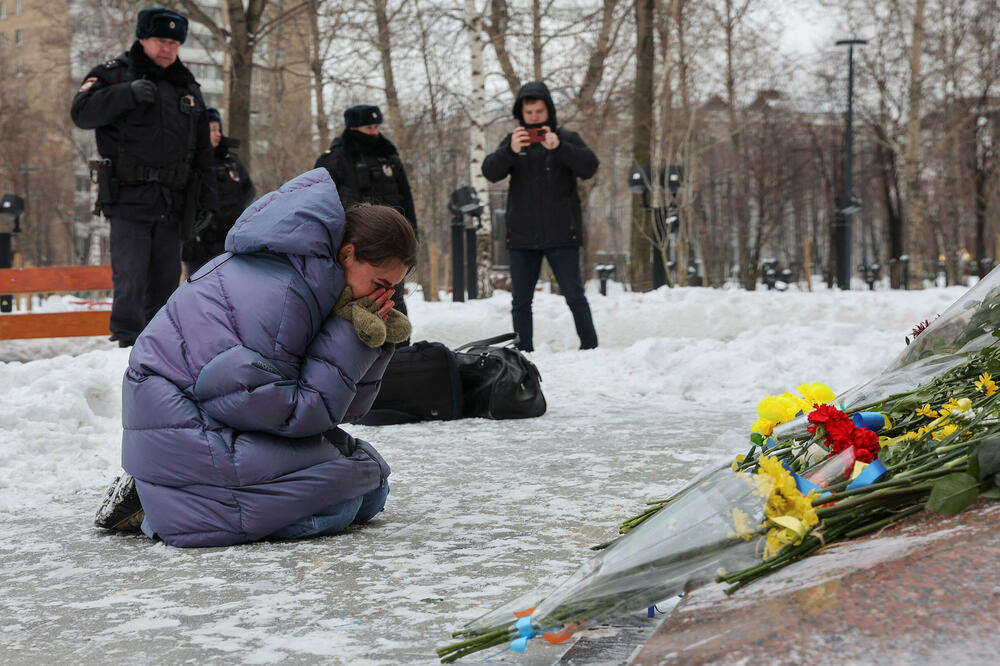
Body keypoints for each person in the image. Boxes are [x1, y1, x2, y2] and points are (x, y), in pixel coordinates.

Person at [93, 168, 417, 547]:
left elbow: (345, 409)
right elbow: (288, 412)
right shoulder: (283, 293)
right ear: (347, 253)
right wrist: (351, 335)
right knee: (339, 506)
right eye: (379, 285)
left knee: (370, 491)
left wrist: (369, 339)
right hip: (184, 429)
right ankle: (155, 510)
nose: (386, 299)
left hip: (222, 422)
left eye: (393, 290)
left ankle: (162, 495)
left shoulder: (317, 284)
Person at [71, 7, 215, 348]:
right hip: (129, 198)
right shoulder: (115, 74)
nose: (167, 48)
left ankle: (160, 349)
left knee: (166, 281)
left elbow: (203, 149)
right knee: (131, 281)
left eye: (174, 43)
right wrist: (126, 94)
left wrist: (208, 198)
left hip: (173, 200)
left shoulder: (187, 86)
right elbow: (81, 112)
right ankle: (125, 349)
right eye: (160, 40)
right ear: (142, 39)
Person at [482, 81, 600, 352]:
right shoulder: (513, 142)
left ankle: (591, 348)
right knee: (521, 300)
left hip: (562, 234)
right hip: (522, 236)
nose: (534, 117)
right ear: (520, 113)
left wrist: (559, 147)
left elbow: (590, 167)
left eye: (538, 111)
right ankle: (523, 351)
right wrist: (509, 151)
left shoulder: (567, 138)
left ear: (549, 111)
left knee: (574, 295)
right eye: (529, 112)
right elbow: (490, 172)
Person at [315, 105, 417, 320]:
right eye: (368, 127)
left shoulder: (389, 159)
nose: (374, 132)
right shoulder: (335, 160)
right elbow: (319, 202)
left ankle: (399, 352)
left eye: (376, 126)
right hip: (357, 251)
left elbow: (406, 200)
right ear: (353, 128)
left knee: (393, 306)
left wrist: (412, 239)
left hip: (394, 248)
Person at [182, 107, 256, 277]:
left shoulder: (232, 163)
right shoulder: (191, 163)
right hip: (199, 245)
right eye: (212, 129)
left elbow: (249, 191)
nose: (218, 134)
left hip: (227, 242)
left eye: (219, 129)